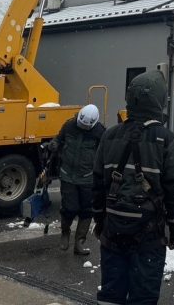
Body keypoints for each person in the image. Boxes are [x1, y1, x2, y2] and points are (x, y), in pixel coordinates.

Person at [93, 70, 174, 305]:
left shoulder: (109, 135)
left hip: (112, 230)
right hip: (149, 234)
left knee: (111, 292)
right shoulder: (166, 139)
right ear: (159, 101)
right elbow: (173, 188)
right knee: (143, 295)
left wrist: (99, 220)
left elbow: (97, 183)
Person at [48, 104, 105, 255]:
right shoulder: (69, 125)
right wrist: (54, 144)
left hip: (87, 178)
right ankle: (65, 233)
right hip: (68, 175)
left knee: (87, 211)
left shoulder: (100, 132)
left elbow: (104, 155)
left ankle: (79, 242)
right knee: (69, 208)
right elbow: (59, 139)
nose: (83, 127)